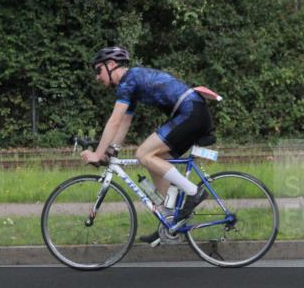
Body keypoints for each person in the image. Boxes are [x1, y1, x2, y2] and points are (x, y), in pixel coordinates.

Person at [81, 46, 213, 241]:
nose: (97, 77)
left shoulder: (129, 80)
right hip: (191, 113)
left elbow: (114, 121)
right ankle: (169, 223)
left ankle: (194, 192)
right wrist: (111, 151)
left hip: (190, 112)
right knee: (155, 159)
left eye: (98, 70)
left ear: (111, 65)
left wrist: (98, 154)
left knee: (143, 154)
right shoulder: (130, 85)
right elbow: (124, 123)